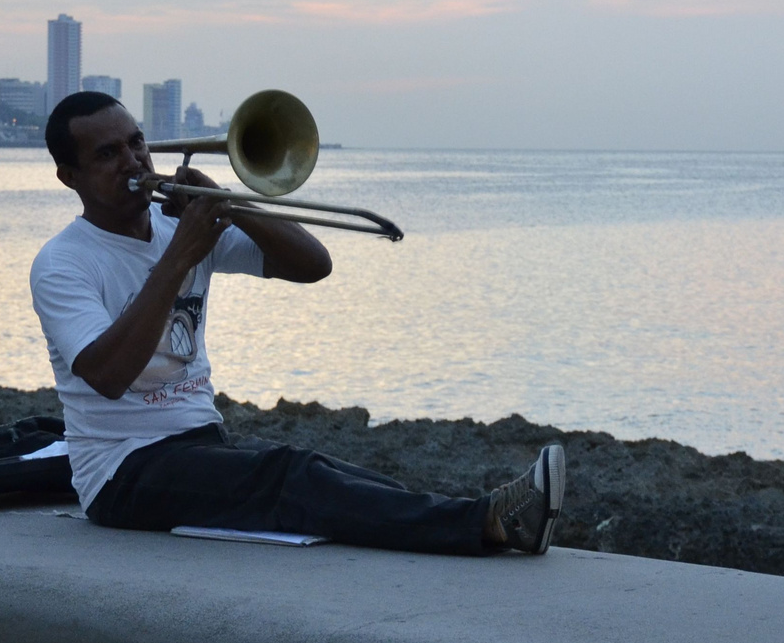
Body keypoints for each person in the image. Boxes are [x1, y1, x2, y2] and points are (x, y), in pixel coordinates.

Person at [30, 92, 564, 556]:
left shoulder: (179, 227)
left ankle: (485, 521)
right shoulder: (64, 263)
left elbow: (313, 265)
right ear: (68, 176)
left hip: (199, 441)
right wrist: (177, 261)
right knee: (289, 476)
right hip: (123, 473)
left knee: (330, 471)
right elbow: (107, 374)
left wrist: (230, 203)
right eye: (107, 154)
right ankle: (487, 522)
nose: (133, 161)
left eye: (137, 143)